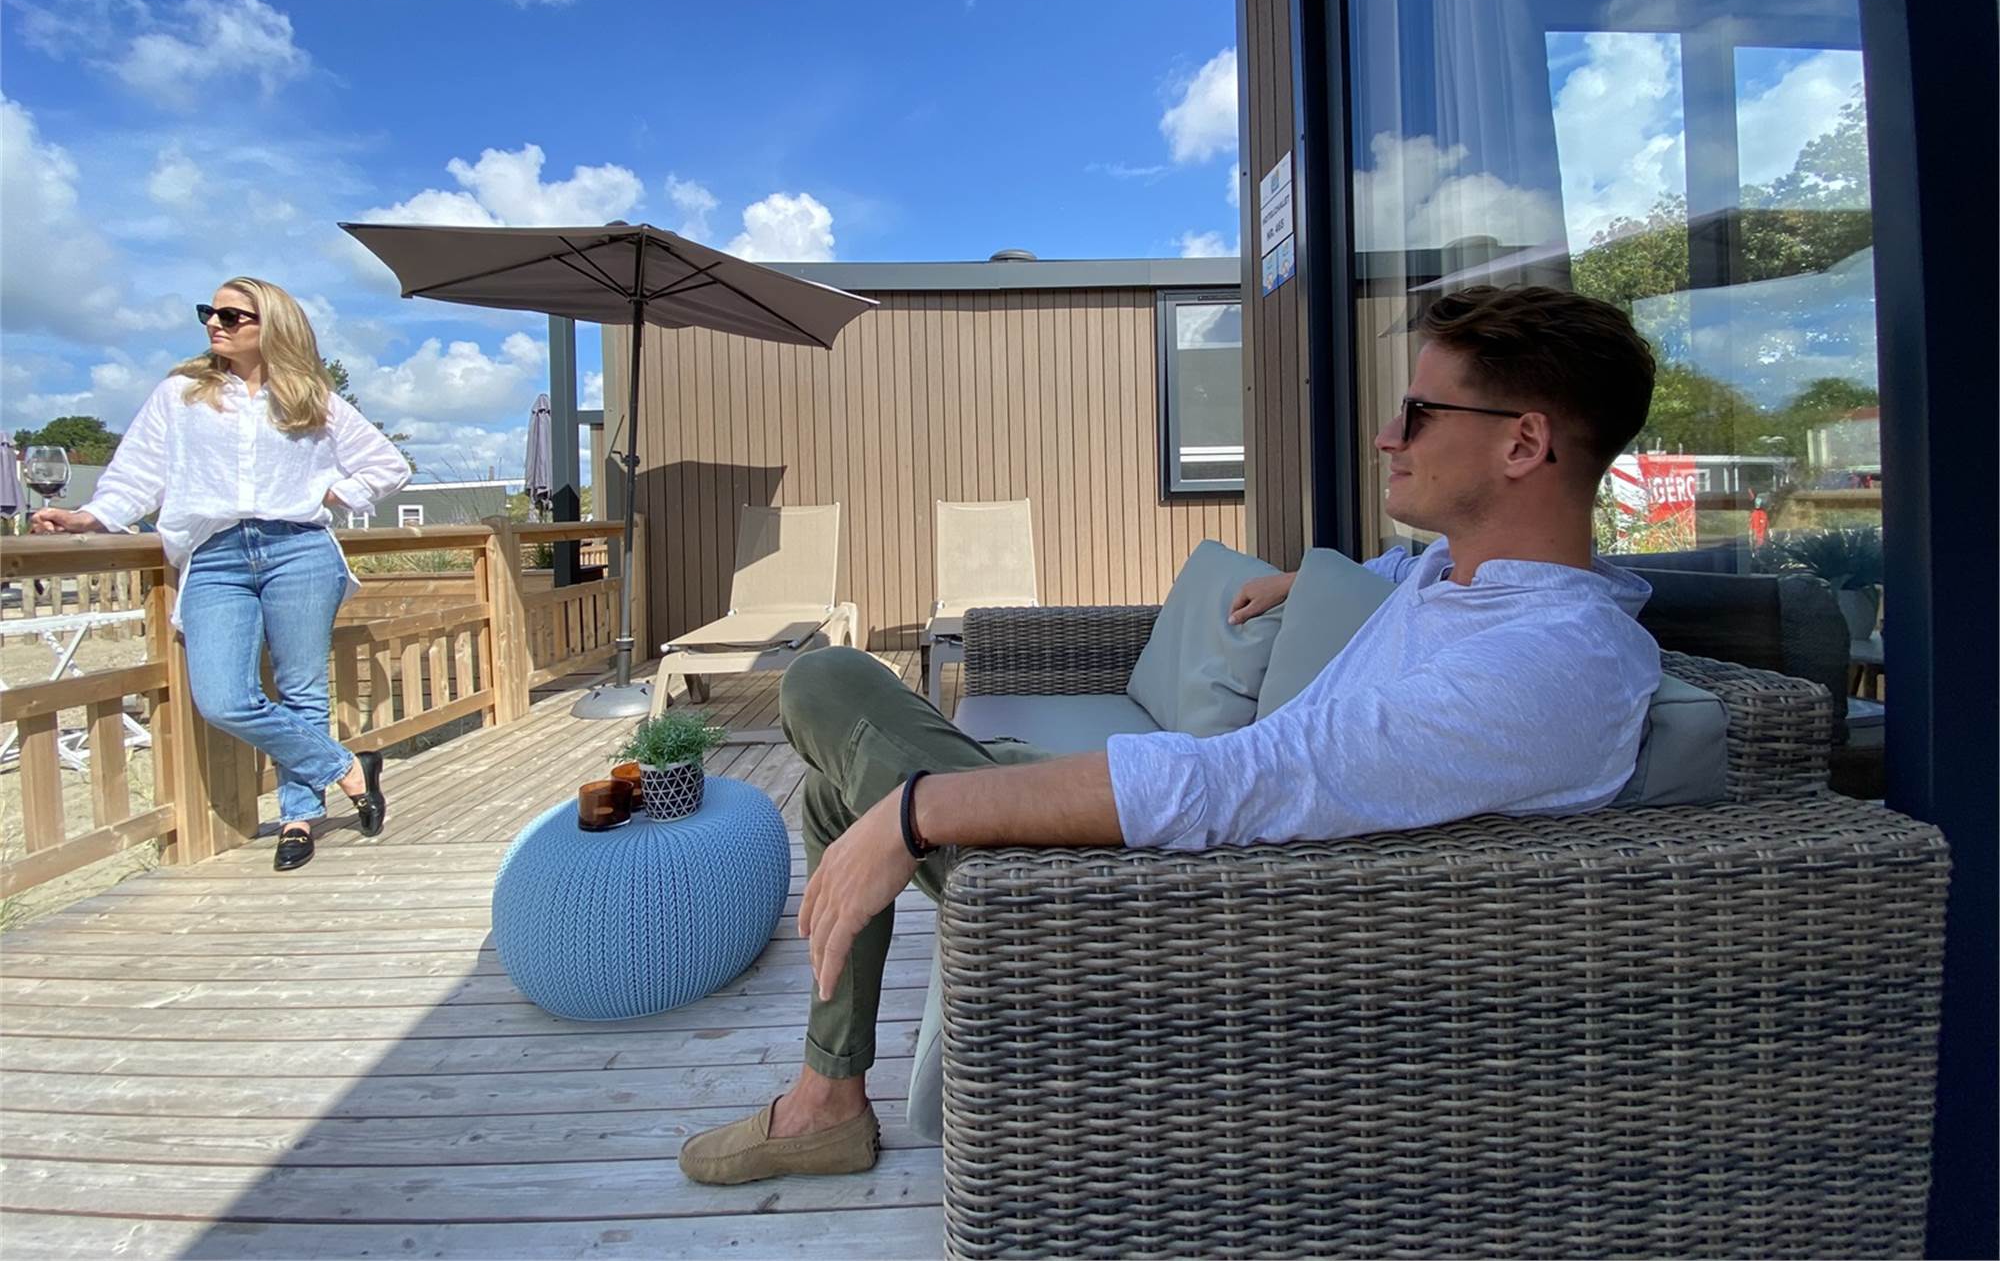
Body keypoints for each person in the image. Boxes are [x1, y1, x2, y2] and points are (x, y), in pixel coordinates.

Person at [677, 284, 1662, 1186]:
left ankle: (825, 1099)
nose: (1384, 435)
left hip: (1185, 899)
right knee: (835, 785)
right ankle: (829, 1098)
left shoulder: (1548, 663)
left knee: (827, 684)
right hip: (1195, 828)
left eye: (1418, 413)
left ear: (1522, 445)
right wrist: (1302, 580)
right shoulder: (1460, 574)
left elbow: (1249, 779)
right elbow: (1396, 573)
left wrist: (919, 812)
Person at [32, 277, 412, 871]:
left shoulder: (310, 399)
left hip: (299, 548)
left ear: (272, 325)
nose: (215, 322)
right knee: (224, 699)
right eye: (209, 312)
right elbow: (138, 474)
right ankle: (347, 768)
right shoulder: (181, 394)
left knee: (302, 690)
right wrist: (90, 516)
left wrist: (334, 491)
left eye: (232, 316)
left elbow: (388, 465)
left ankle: (298, 818)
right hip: (214, 553)